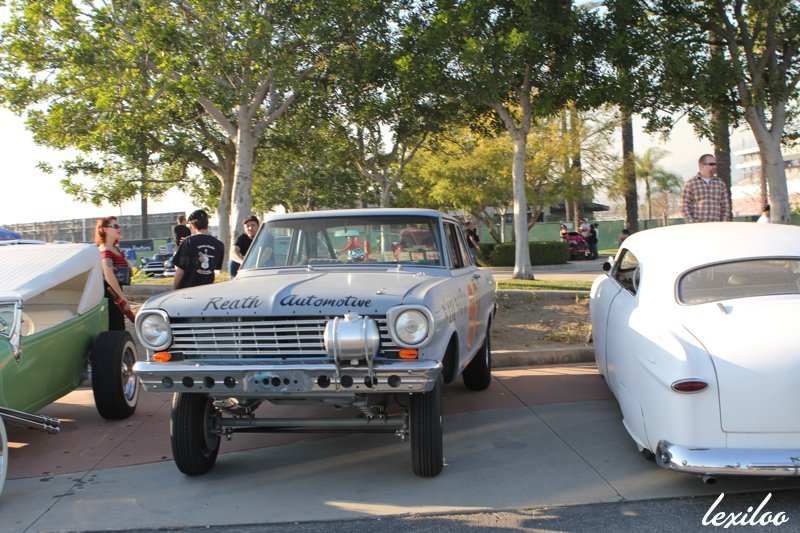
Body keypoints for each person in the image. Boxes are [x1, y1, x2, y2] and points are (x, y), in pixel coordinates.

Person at [172, 209, 224, 290]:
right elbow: (213, 269)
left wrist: (174, 290)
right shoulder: (219, 245)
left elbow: (180, 272)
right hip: (207, 290)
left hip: (187, 290)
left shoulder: (188, 242)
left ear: (193, 225)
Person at [95, 216, 132, 330]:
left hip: (116, 292)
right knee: (115, 327)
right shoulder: (105, 250)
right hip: (110, 295)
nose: (118, 229)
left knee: (119, 325)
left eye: (118, 226)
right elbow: (108, 275)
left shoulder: (116, 249)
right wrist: (122, 298)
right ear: (105, 229)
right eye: (115, 226)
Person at [681, 154, 731, 223]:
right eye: (711, 164)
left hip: (717, 226)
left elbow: (725, 207)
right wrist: (692, 223)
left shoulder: (720, 184)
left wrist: (723, 223)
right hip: (697, 226)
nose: (714, 166)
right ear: (701, 166)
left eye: (715, 164)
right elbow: (684, 206)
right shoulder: (690, 184)